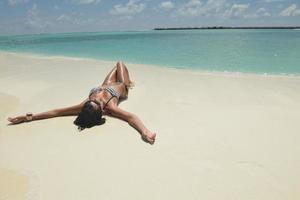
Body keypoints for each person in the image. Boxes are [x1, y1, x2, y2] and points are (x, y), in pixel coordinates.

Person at [7, 62, 156, 145]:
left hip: (106, 83)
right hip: (120, 86)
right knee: (121, 64)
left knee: (118, 63)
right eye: (97, 102)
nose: (96, 99)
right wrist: (145, 131)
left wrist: (28, 117)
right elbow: (131, 117)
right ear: (103, 110)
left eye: (92, 101)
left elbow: (56, 112)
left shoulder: (85, 105)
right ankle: (128, 83)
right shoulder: (111, 107)